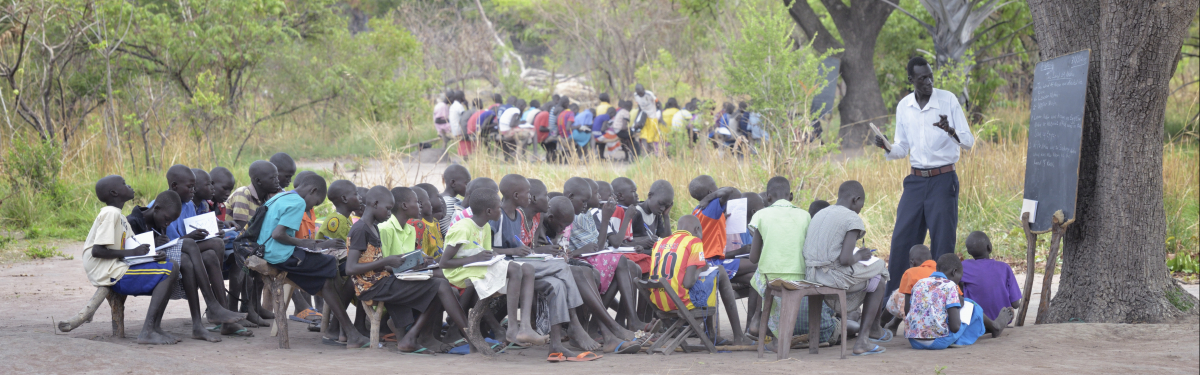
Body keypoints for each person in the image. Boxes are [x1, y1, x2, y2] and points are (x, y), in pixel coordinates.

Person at [875, 56, 975, 298]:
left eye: (930, 76)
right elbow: (902, 148)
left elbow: (968, 142)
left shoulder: (947, 100)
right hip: (916, 182)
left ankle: (941, 304)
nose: (929, 81)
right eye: (922, 78)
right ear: (911, 80)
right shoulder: (904, 106)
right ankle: (893, 306)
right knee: (901, 243)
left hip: (943, 180)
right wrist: (887, 147)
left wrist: (950, 130)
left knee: (942, 245)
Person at [348, 186, 470, 353]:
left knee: (438, 285)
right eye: (388, 209)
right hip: (371, 287)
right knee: (440, 286)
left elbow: (375, 261)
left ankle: (412, 338)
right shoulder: (360, 229)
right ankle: (470, 336)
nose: (390, 213)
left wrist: (408, 261)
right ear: (375, 204)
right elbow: (351, 268)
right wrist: (387, 261)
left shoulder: (372, 227)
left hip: (382, 280)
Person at [257, 173, 364, 347]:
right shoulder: (298, 202)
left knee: (326, 279)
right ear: (312, 191)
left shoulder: (282, 196)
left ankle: (342, 330)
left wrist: (310, 244)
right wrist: (304, 243)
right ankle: (342, 329)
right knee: (331, 264)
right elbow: (278, 234)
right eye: (315, 202)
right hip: (280, 255)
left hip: (268, 251)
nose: (311, 207)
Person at [440, 187, 546, 347]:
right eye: (498, 208)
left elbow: (484, 252)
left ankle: (525, 327)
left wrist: (492, 256)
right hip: (458, 273)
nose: (501, 211)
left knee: (528, 268)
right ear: (489, 211)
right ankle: (512, 328)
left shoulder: (485, 227)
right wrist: (475, 258)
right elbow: (444, 263)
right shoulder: (463, 228)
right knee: (515, 269)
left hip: (476, 267)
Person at [83, 176, 180, 345]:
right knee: (170, 269)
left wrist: (152, 256)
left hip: (116, 268)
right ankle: (148, 330)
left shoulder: (121, 219)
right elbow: (97, 250)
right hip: (109, 272)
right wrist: (133, 251)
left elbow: (131, 252)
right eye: (124, 184)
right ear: (114, 193)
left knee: (169, 265)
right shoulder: (110, 213)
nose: (129, 186)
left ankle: (155, 328)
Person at [747, 176, 840, 347]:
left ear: (767, 197)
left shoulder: (760, 215)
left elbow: (753, 258)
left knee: (758, 277)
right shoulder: (805, 216)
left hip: (771, 277)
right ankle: (777, 337)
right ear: (791, 196)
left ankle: (757, 320)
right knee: (769, 278)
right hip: (800, 277)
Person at [803, 180, 890, 356]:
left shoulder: (821, 213)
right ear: (855, 200)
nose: (860, 209)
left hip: (811, 274)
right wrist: (860, 256)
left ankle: (815, 346)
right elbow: (845, 259)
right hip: (832, 276)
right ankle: (864, 339)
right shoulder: (852, 218)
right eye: (861, 205)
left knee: (874, 272)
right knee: (880, 271)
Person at [905, 254, 1011, 350]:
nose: (959, 281)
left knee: (958, 305)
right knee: (970, 304)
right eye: (960, 276)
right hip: (938, 342)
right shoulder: (950, 285)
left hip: (914, 341)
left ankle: (988, 326)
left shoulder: (919, 283)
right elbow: (955, 327)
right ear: (954, 272)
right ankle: (995, 326)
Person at [646, 215, 720, 333]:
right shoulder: (694, 241)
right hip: (680, 302)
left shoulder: (659, 243)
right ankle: (724, 334)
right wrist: (700, 269)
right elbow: (688, 283)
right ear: (697, 230)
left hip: (659, 302)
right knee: (717, 273)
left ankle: (710, 333)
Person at [961, 231, 1022, 320]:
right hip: (1002, 316)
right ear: (989, 247)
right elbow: (1016, 304)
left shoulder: (964, 266)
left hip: (974, 319)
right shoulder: (1004, 267)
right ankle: (996, 323)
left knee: (959, 283)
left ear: (969, 252)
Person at [883, 245, 936, 333]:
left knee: (898, 294)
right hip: (937, 319)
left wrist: (909, 321)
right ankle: (893, 324)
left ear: (912, 262)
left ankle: (880, 323)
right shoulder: (940, 270)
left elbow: (906, 302)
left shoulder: (910, 273)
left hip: (917, 325)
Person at [439, 164, 470, 237]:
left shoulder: (454, 200)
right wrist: (463, 205)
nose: (469, 187)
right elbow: (447, 232)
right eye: (467, 183)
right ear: (453, 183)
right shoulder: (446, 202)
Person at [633, 84, 661, 154]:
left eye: (641, 93)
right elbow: (639, 108)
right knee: (643, 136)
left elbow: (659, 104)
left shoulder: (649, 94)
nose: (640, 95)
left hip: (652, 117)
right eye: (638, 93)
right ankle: (645, 155)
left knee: (651, 137)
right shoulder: (636, 95)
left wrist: (661, 117)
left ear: (644, 90)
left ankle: (653, 154)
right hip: (644, 118)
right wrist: (636, 120)